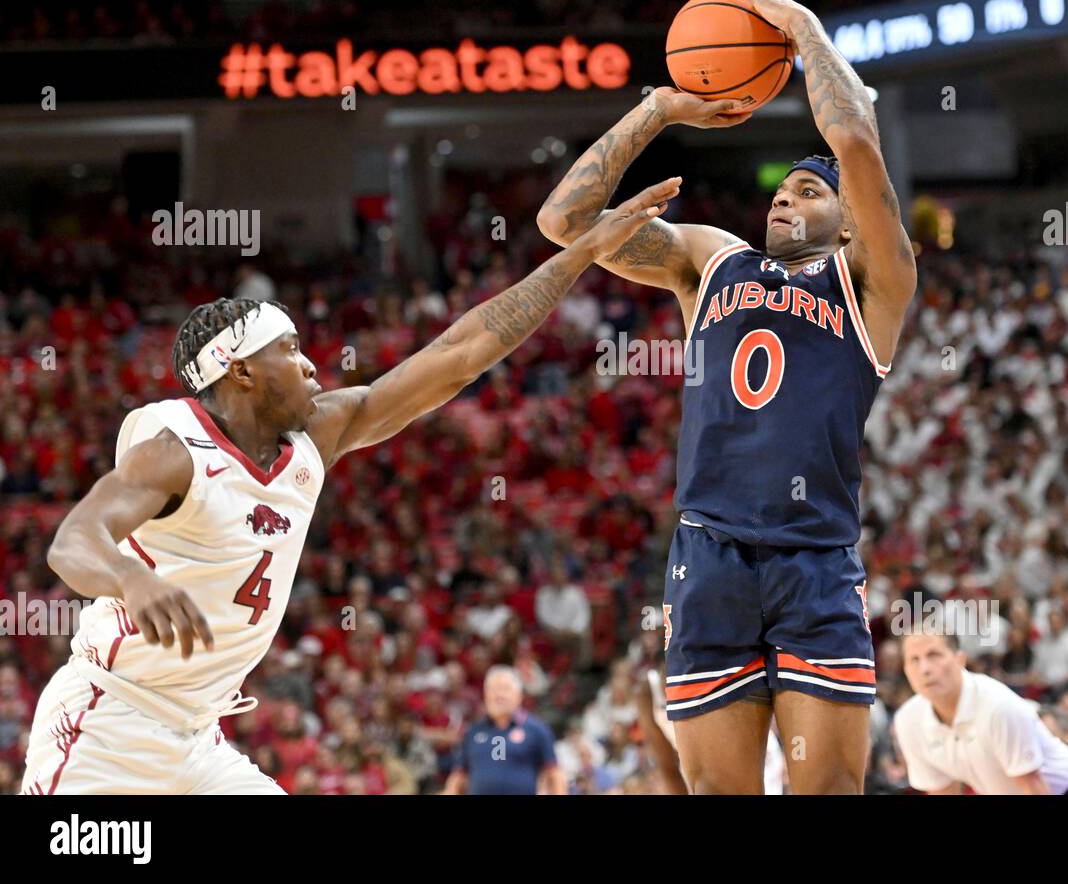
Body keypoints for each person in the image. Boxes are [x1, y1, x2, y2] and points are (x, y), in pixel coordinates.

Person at [20, 179, 680, 795]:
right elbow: (73, 541)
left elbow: (457, 354)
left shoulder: (318, 435)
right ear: (242, 371)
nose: (312, 363)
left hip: (196, 738)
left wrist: (582, 254)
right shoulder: (174, 452)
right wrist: (131, 580)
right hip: (106, 725)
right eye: (290, 349)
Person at [537, 0, 917, 795]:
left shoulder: (871, 282)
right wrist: (660, 110)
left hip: (814, 558)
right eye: (781, 189)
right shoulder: (712, 260)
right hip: (708, 555)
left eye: (809, 192)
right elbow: (563, 226)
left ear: (851, 221)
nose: (785, 198)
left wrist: (804, 27)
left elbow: (854, 139)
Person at [893, 634, 1068, 794]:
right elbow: (941, 790)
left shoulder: (998, 706)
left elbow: (1033, 788)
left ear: (960, 660)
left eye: (934, 655)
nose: (925, 669)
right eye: (914, 660)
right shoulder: (908, 720)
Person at [444, 666, 565, 795]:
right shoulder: (472, 732)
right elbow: (458, 776)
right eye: (493, 689)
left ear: (519, 695)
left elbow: (554, 774)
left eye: (504, 688)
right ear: (485, 695)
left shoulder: (537, 730)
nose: (498, 695)